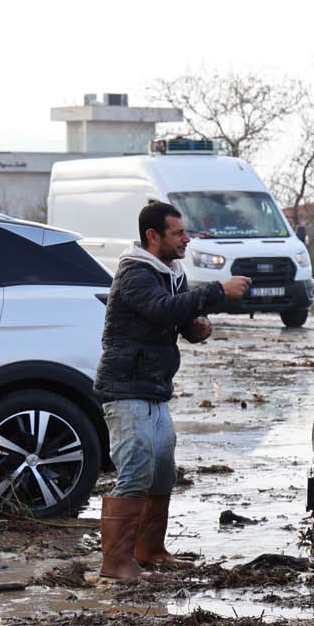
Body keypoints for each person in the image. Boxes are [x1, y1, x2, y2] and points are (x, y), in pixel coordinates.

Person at [95, 201, 251, 581]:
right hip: (126, 388)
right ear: (153, 236)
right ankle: (115, 563)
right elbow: (162, 309)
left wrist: (196, 329)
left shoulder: (172, 272)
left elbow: (176, 318)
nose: (187, 239)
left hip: (155, 389)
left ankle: (149, 550)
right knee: (135, 471)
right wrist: (218, 290)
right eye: (178, 233)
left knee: (162, 472)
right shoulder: (134, 273)